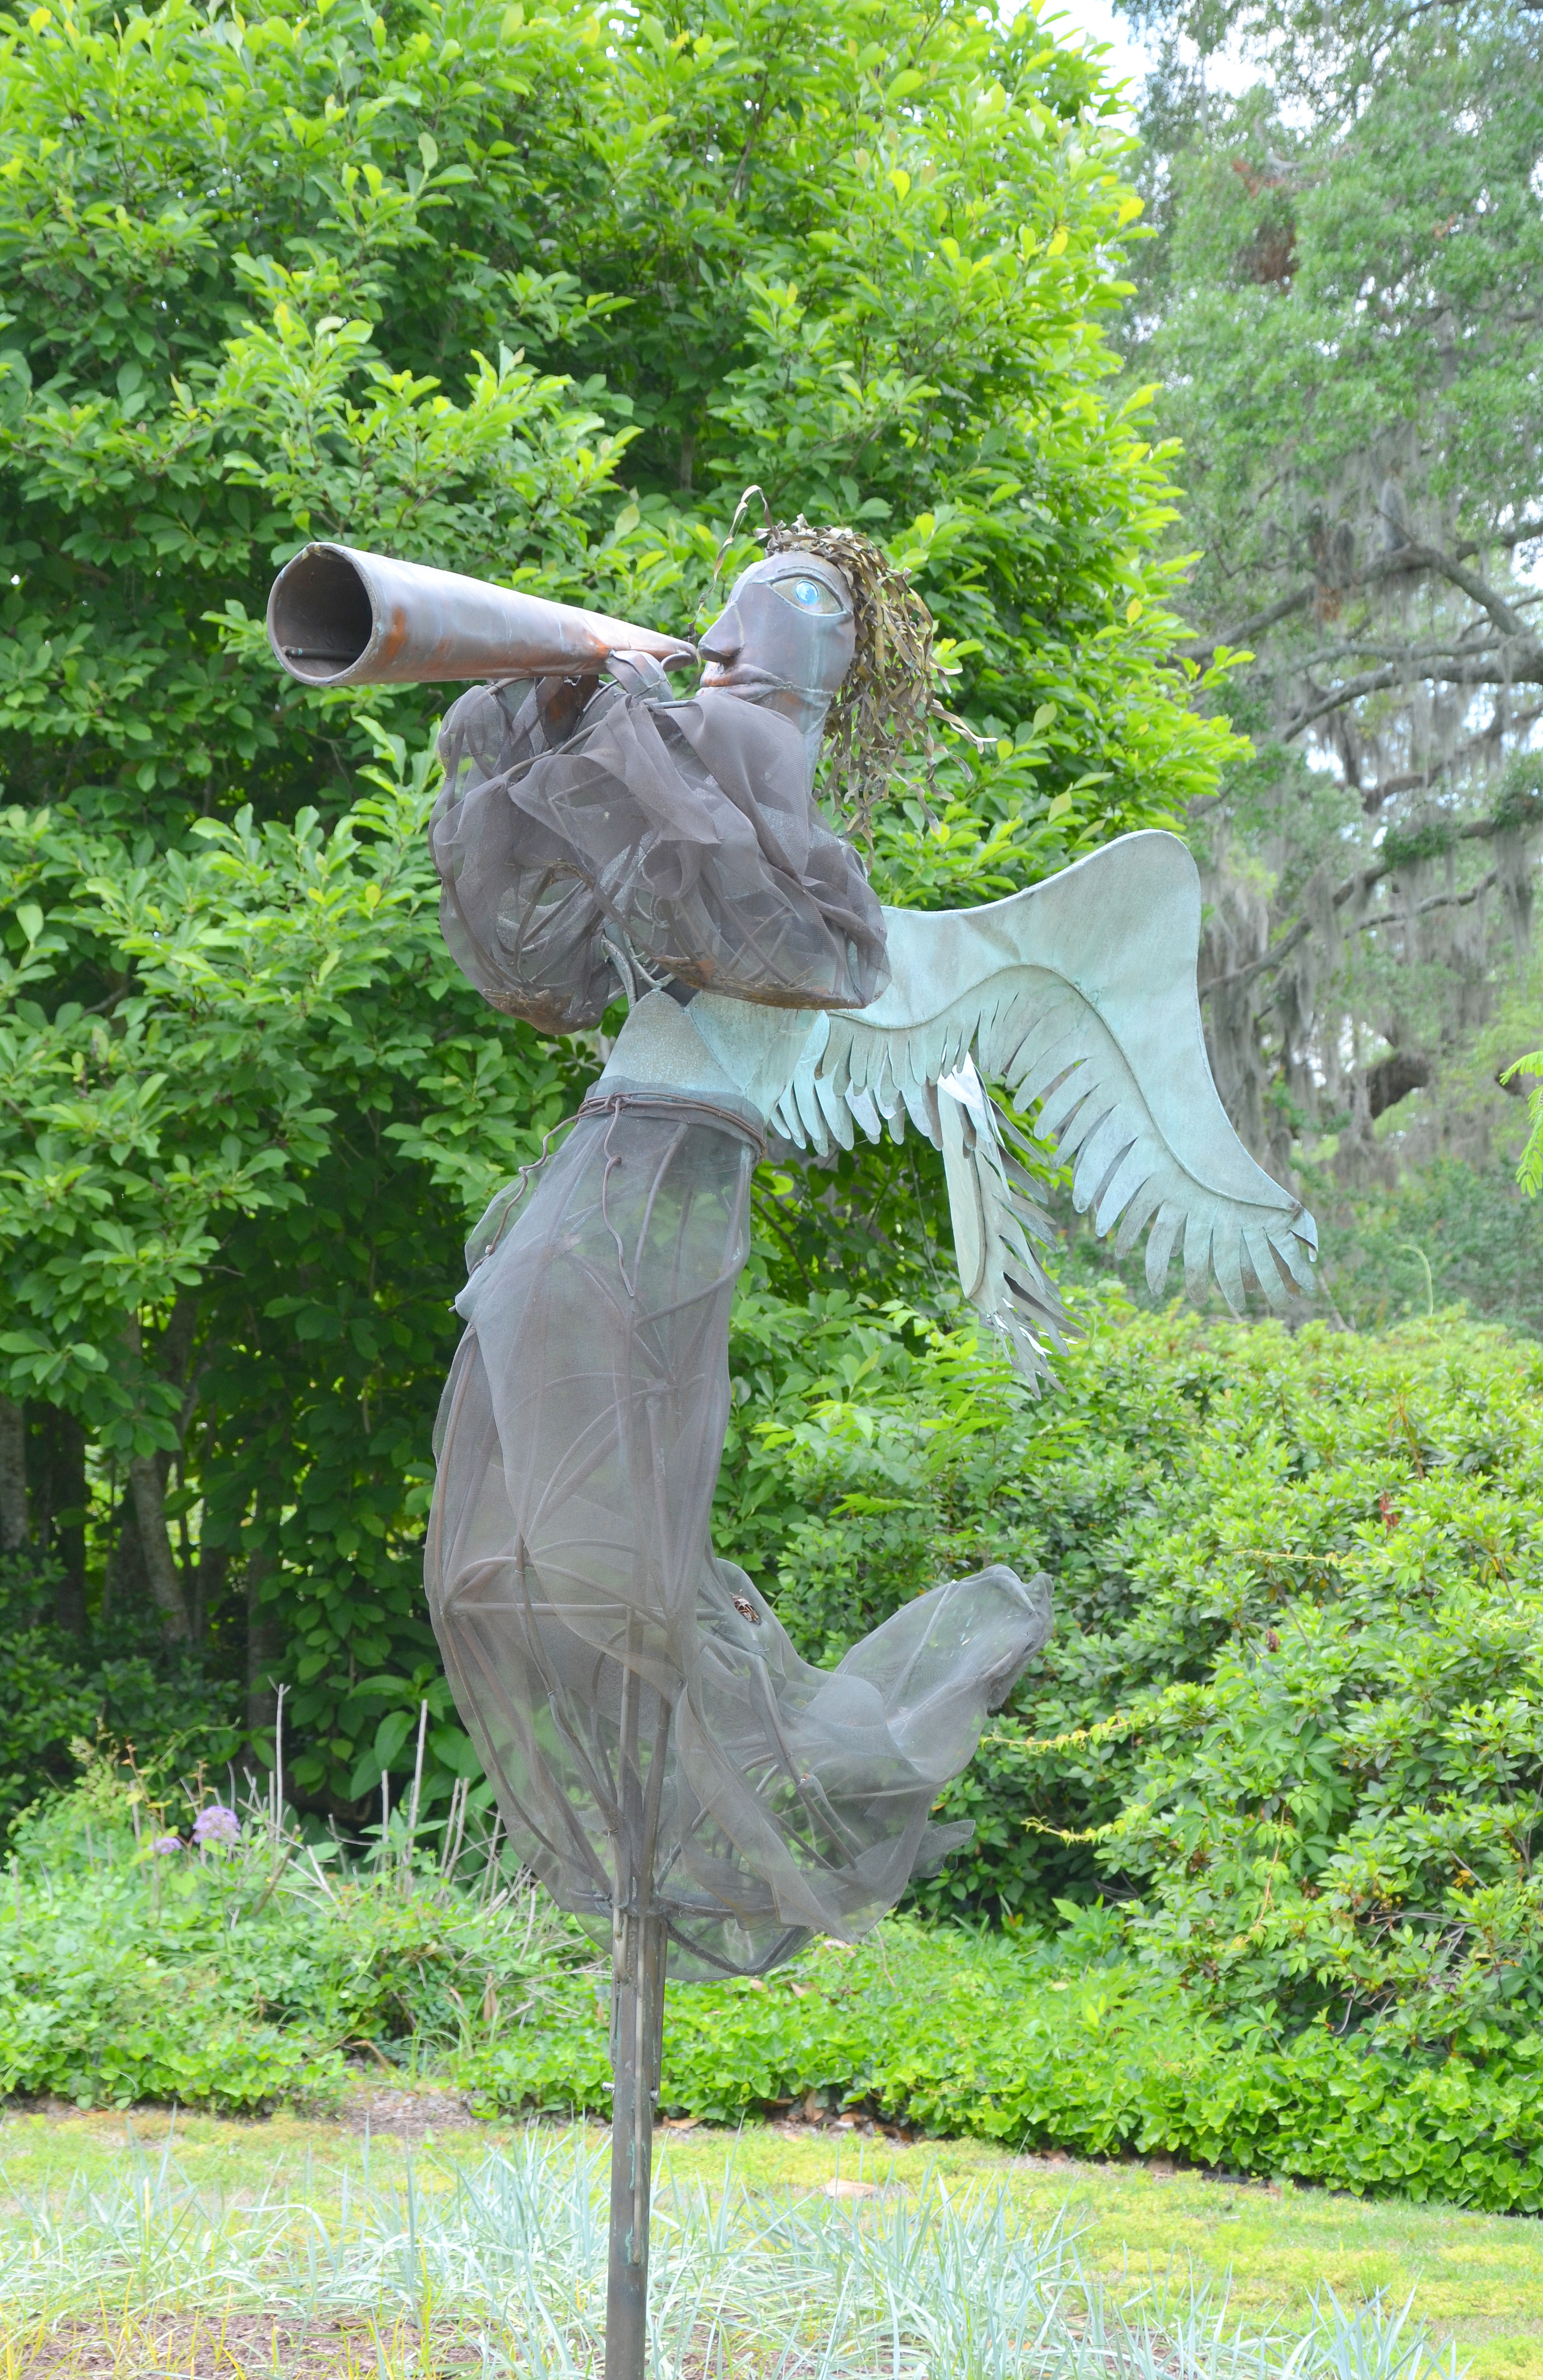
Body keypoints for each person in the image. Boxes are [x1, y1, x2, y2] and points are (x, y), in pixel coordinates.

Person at [424, 527, 1052, 1982]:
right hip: (595, 1183)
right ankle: (658, 1830)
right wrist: (560, 709)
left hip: (660, 1208)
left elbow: (717, 878)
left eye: (798, 608)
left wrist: (630, 719)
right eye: (740, 613)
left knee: (603, 1560)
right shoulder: (686, 806)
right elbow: (535, 952)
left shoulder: (805, 886)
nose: (732, 641)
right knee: (500, 1559)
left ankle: (719, 1818)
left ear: (831, 668)